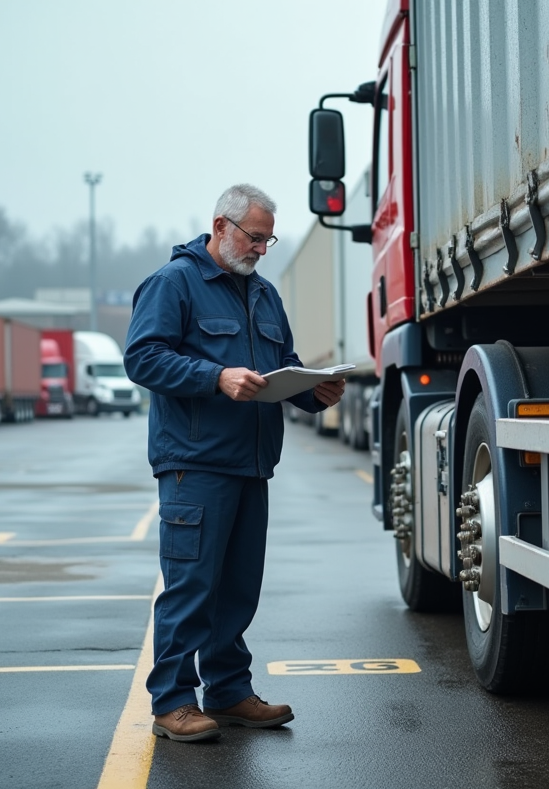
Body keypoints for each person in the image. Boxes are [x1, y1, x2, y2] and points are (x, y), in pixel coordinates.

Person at [124, 183, 344, 742]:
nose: (261, 249)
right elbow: (143, 357)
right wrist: (213, 377)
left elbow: (282, 364)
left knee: (238, 589)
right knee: (191, 588)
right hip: (194, 465)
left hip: (251, 465)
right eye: (254, 237)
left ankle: (226, 691)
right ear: (220, 226)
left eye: (269, 239)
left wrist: (310, 391)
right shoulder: (174, 284)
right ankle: (173, 703)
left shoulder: (263, 295)